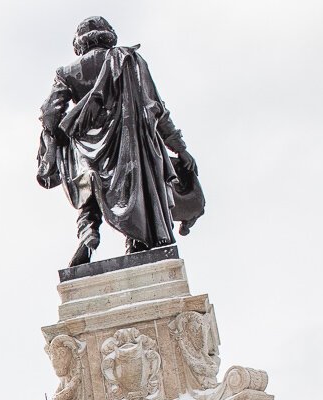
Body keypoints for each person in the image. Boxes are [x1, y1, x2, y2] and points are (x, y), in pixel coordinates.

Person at [37, 16, 204, 267]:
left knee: (89, 191)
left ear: (79, 43)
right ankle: (135, 242)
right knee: (133, 192)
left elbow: (50, 113)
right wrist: (180, 148)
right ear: (109, 35)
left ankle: (88, 233)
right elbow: (155, 108)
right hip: (130, 148)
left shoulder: (66, 73)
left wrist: (62, 135)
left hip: (85, 150)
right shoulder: (129, 60)